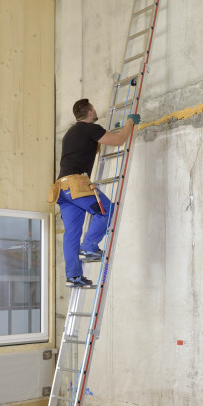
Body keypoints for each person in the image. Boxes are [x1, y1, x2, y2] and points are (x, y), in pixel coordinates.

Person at [47, 98, 140, 287]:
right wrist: (130, 122)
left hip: (61, 190)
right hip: (76, 185)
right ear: (89, 112)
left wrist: (110, 131)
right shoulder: (90, 129)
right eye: (94, 108)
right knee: (107, 209)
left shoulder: (71, 133)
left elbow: (90, 149)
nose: (96, 110)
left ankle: (73, 276)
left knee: (71, 233)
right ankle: (89, 247)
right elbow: (120, 140)